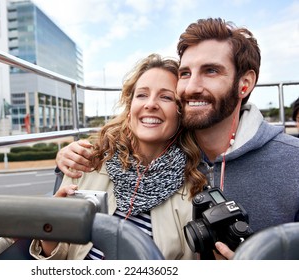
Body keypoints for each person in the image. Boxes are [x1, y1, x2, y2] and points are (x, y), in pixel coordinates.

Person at [55, 18, 299, 259]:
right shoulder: (95, 160)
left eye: (211, 71)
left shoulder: (292, 161)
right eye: (185, 73)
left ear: (244, 84)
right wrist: (65, 159)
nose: (191, 86)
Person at [29, 54, 207, 260]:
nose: (150, 104)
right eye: (142, 95)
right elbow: (56, 259)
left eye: (166, 97)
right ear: (130, 109)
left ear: (181, 113)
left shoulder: (192, 190)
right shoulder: (88, 162)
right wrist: (50, 230)